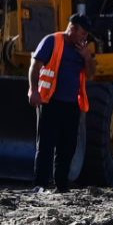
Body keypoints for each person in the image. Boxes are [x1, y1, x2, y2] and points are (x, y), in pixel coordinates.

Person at [29, 14, 99, 192]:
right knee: (45, 145)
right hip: (50, 102)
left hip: (71, 105)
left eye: (86, 35)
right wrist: (33, 90)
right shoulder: (52, 41)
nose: (84, 38)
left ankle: (61, 186)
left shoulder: (83, 50)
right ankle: (40, 185)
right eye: (82, 33)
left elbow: (91, 74)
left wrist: (86, 57)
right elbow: (35, 66)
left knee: (67, 147)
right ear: (72, 28)